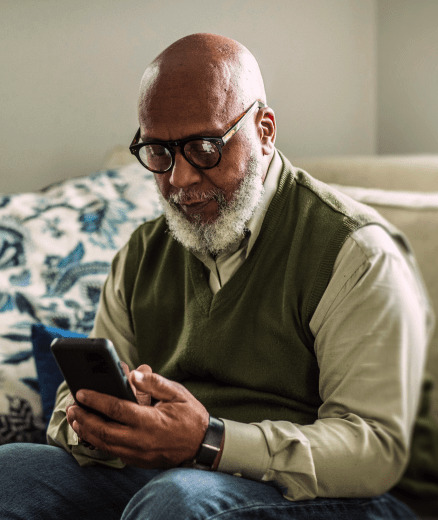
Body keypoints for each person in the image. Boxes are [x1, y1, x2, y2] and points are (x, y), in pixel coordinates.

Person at [0, 33, 433, 520]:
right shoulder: (143, 252)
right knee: (9, 473)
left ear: (265, 130)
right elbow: (71, 401)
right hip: (167, 478)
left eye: (204, 148)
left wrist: (209, 441)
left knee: (177, 502)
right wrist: (102, 423)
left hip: (330, 495)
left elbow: (373, 449)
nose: (180, 180)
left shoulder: (354, 251)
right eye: (159, 153)